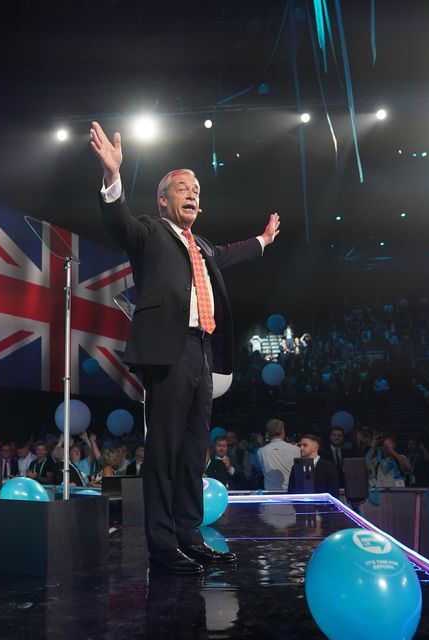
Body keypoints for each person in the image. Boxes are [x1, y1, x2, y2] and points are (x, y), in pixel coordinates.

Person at [90, 121, 280, 574]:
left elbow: (232, 252)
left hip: (203, 352)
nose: (192, 193)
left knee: (195, 451)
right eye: (182, 187)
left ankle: (190, 537)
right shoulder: (149, 233)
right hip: (166, 352)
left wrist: (263, 241)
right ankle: (161, 545)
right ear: (163, 199)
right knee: (166, 450)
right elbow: (116, 221)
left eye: (196, 188)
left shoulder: (204, 247)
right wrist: (112, 176)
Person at [257, 419, 300, 492]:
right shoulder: (296, 449)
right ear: (283, 432)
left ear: (268, 434)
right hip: (290, 492)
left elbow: (260, 469)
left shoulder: (261, 451)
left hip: (270, 493)